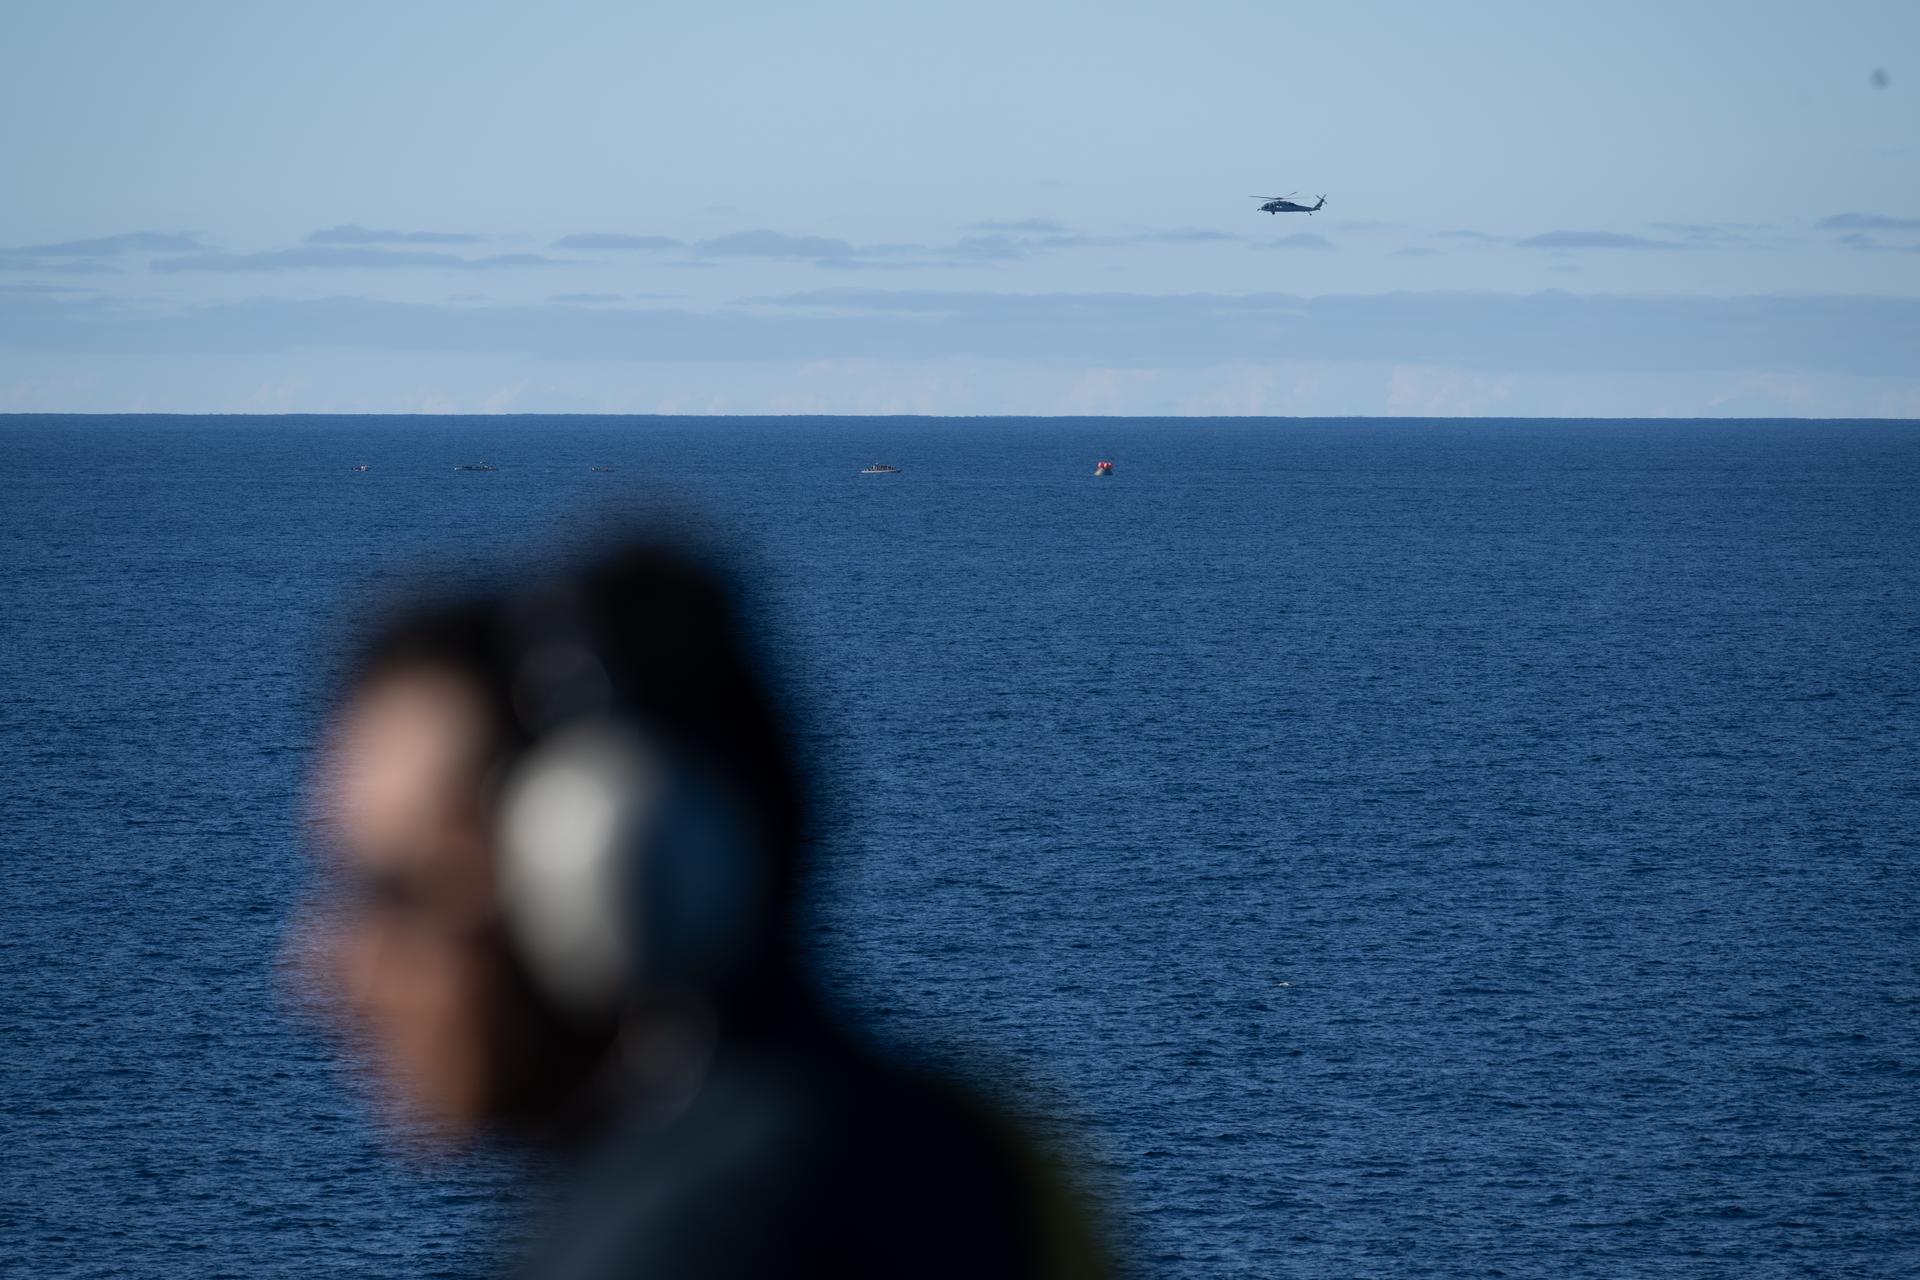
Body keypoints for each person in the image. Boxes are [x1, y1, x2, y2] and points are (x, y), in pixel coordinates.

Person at [299, 537, 1111, 1278]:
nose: (317, 969)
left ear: (595, 869)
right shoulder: (985, 1155)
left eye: (405, 890)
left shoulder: (681, 1243)